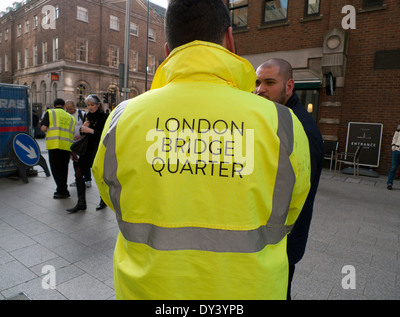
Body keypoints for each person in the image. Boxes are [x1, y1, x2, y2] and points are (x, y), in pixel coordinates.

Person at [93, 0, 310, 300]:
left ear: (168, 51)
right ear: (230, 40)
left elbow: (113, 197)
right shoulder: (283, 122)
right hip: (249, 291)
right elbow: (291, 209)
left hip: (149, 292)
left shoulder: (121, 118)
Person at [255, 58, 324, 299]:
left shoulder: (297, 127)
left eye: (269, 82)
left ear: (289, 86)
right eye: (257, 82)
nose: (259, 89)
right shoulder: (280, 118)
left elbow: (299, 193)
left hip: (283, 243)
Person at [67, 95, 108, 213]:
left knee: (99, 175)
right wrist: (82, 129)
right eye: (88, 105)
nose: (90, 107)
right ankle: (81, 203)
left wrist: (89, 130)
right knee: (79, 171)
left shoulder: (104, 116)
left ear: (98, 105)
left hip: (98, 149)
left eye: (92, 105)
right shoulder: (87, 115)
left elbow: (103, 134)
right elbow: (83, 132)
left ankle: (103, 200)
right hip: (87, 148)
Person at [41, 98, 75, 199]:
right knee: (64, 169)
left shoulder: (50, 112)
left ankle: (62, 190)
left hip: (54, 145)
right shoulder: (70, 117)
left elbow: (43, 128)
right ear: (64, 106)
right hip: (66, 146)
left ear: (54, 106)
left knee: (55, 169)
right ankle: (63, 189)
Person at [65, 100, 93, 189]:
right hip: (72, 142)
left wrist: (81, 135)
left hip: (82, 142)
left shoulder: (82, 114)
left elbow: (87, 126)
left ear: (74, 106)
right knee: (75, 161)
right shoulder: (65, 115)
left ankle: (88, 180)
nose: (69, 111)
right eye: (67, 109)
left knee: (85, 161)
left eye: (70, 108)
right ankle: (78, 179)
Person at [386, 124, 400, 190]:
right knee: (393, 167)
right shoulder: (399, 129)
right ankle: (389, 183)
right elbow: (395, 138)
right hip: (397, 150)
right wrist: (393, 147)